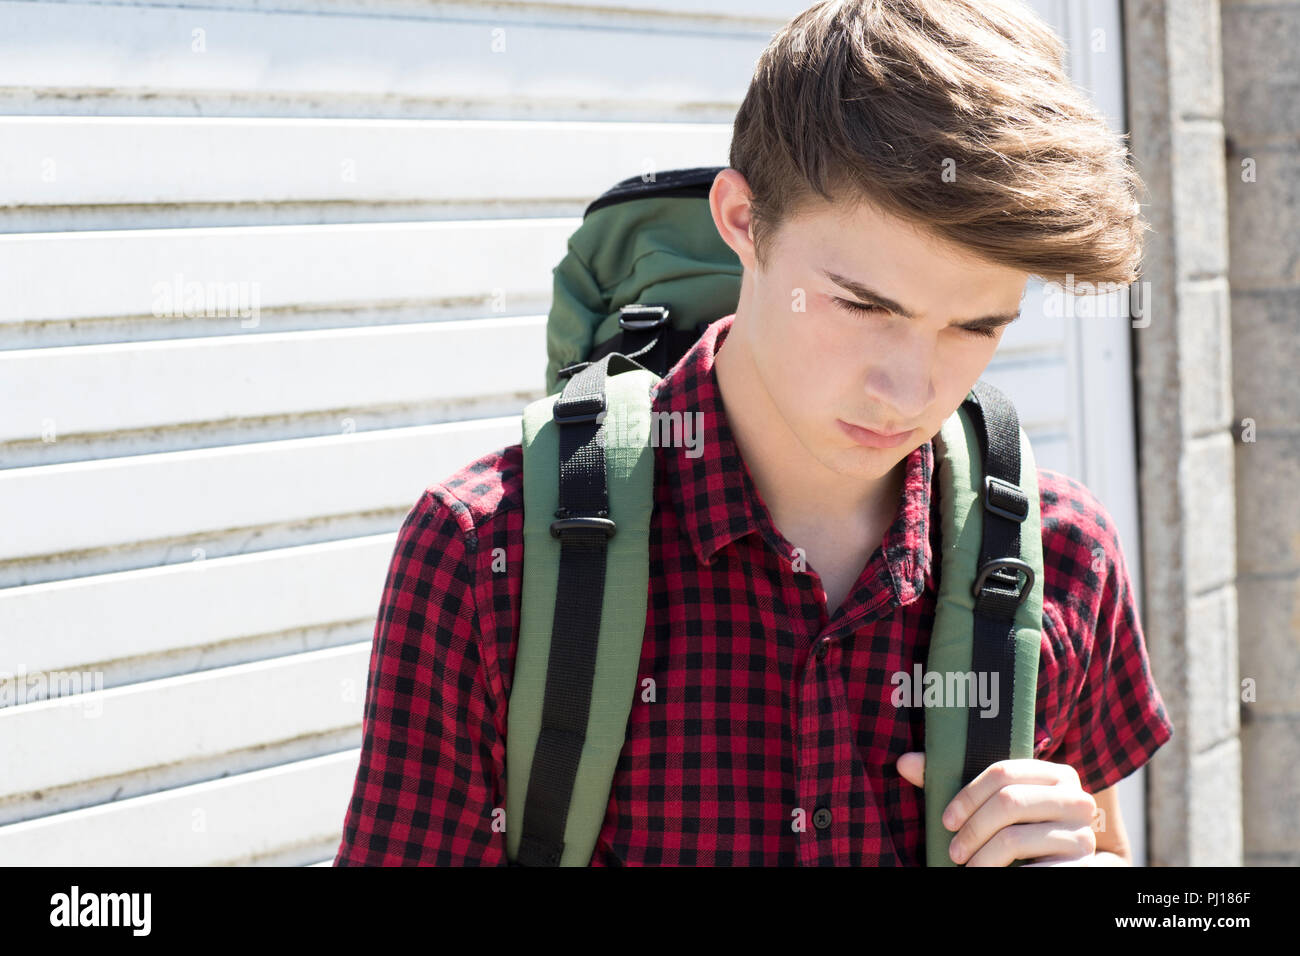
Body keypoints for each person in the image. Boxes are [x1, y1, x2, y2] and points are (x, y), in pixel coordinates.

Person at [334, 0, 1173, 866]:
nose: (909, 391)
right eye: (864, 305)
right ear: (743, 219)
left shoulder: (1061, 557)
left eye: (977, 327)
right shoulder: (487, 555)